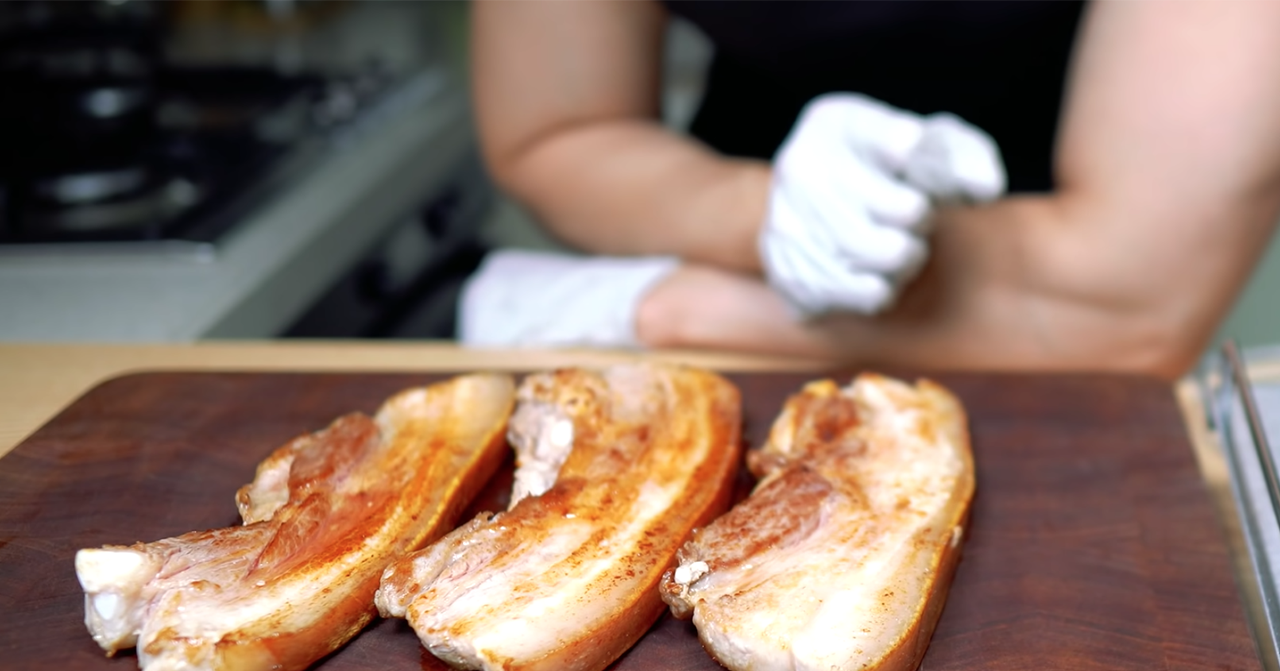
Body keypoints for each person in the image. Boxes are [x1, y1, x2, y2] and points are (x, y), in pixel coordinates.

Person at [458, 0, 1280, 380]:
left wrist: (647, 307)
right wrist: (762, 214)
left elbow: (1129, 308)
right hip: (722, 205)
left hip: (1062, 256)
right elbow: (559, 130)